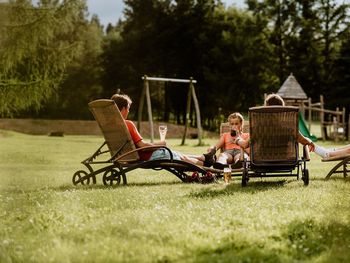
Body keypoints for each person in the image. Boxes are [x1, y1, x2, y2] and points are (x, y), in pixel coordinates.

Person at [111, 93, 215, 166]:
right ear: (124, 109)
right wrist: (160, 143)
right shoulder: (128, 124)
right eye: (128, 108)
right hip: (148, 156)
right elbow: (143, 147)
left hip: (131, 156)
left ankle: (205, 158)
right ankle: (206, 166)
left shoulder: (112, 127)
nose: (128, 111)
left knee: (179, 155)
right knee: (183, 159)